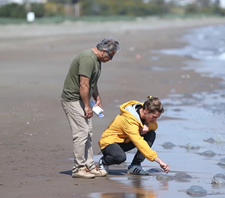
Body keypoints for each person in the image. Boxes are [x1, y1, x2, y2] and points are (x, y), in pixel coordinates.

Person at [61, 37, 121, 179]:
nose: (111, 60)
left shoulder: (97, 60)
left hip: (82, 98)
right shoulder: (88, 58)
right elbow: (84, 84)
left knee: (88, 132)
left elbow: (92, 82)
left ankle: (89, 165)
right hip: (72, 99)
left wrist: (97, 98)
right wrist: (87, 106)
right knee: (81, 133)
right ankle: (78, 168)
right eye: (111, 56)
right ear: (103, 51)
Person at [98, 96, 170, 175]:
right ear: (146, 111)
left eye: (157, 118)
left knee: (151, 134)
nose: (155, 120)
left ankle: (135, 165)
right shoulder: (129, 120)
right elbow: (139, 142)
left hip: (126, 141)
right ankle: (103, 162)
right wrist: (159, 161)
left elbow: (155, 126)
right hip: (109, 142)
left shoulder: (144, 110)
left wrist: (147, 125)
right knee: (120, 157)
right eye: (154, 117)